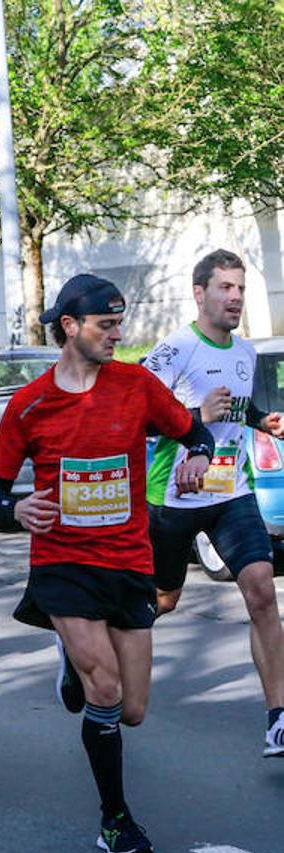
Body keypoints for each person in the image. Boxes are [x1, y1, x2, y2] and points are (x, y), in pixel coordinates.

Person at [0, 274, 213, 853]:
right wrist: (17, 508)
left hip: (129, 561)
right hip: (64, 564)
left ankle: (69, 661)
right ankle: (115, 819)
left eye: (119, 324)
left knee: (131, 710)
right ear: (70, 326)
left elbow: (197, 432)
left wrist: (198, 459)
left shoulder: (137, 386)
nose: (118, 335)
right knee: (104, 687)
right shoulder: (29, 404)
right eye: (106, 326)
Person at [142, 249, 284, 757]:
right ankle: (85, 650)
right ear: (199, 293)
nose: (236, 297)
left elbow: (236, 406)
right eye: (225, 288)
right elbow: (137, 411)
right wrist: (193, 414)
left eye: (240, 288)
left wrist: (263, 419)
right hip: (172, 496)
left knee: (262, 592)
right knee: (162, 600)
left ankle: (278, 719)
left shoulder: (245, 352)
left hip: (231, 490)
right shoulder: (174, 349)